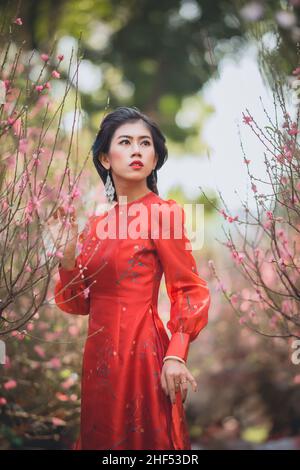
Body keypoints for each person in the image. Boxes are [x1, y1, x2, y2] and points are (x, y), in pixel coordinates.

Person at [53, 106, 211, 450]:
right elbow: (77, 304)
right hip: (97, 361)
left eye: (145, 143)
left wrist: (176, 354)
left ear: (155, 159)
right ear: (105, 158)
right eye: (125, 142)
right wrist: (66, 257)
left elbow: (189, 290)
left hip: (144, 355)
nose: (137, 150)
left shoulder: (163, 213)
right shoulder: (94, 227)